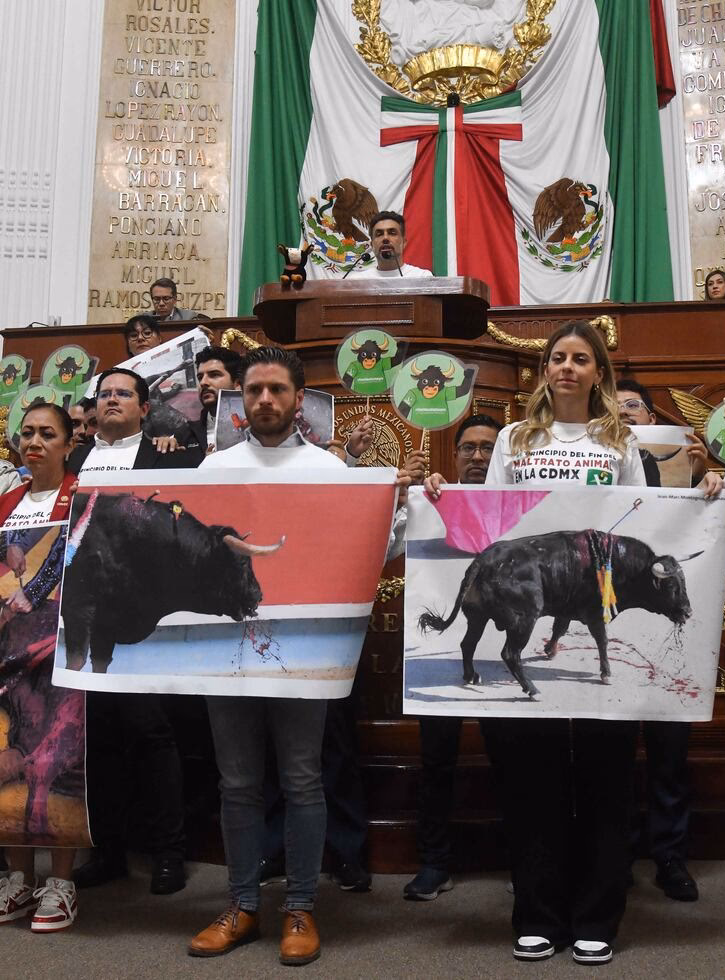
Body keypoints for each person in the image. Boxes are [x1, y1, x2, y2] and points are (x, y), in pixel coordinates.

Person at [425, 321, 721, 966]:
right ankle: (536, 913)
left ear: (598, 373)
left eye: (580, 359)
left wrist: (701, 498)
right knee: (529, 782)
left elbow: (645, 523)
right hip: (535, 584)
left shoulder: (620, 439)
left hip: (589, 601)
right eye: (557, 357)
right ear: (546, 370)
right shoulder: (514, 437)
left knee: (605, 780)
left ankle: (597, 915)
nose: (566, 367)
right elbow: (495, 511)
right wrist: (444, 500)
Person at [189, 346, 422, 966]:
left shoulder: (331, 470)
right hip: (226, 649)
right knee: (237, 783)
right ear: (239, 399)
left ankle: (299, 906)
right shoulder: (211, 471)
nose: (266, 400)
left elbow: (374, 549)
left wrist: (392, 504)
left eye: (277, 390)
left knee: (301, 779)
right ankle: (241, 904)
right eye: (255, 390)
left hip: (303, 649)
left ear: (299, 400)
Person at [68, 368, 202, 896]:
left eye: (124, 394)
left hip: (140, 612)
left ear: (145, 409)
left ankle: (169, 852)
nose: (112, 401)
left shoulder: (168, 452)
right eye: (104, 395)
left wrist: (179, 453)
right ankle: (109, 852)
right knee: (96, 738)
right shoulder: (73, 462)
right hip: (83, 613)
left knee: (151, 732)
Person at [614, 379, 717, 902]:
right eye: (611, 410)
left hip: (666, 624)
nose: (623, 415)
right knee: (608, 748)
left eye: (631, 406)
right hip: (609, 620)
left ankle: (669, 853)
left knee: (668, 745)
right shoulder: (597, 459)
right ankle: (615, 852)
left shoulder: (686, 466)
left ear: (656, 419)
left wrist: (703, 481)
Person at [403, 414, 503, 902]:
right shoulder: (433, 499)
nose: (479, 456)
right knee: (436, 759)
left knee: (513, 762)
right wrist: (413, 494)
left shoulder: (527, 504)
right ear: (455, 454)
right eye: (469, 448)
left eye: (488, 447)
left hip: (508, 652)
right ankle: (434, 861)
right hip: (444, 653)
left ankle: (524, 858)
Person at [0, 404, 82, 932]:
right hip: (5, 649)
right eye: (27, 432)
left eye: (47, 434)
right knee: (6, 759)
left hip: (62, 648)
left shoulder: (83, 495)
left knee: (57, 760)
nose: (35, 441)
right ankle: (18, 879)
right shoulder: (5, 502)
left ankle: (62, 883)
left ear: (68, 443)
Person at [189, 346, 243, 453]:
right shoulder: (185, 434)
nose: (203, 382)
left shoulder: (257, 430)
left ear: (237, 384)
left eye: (214, 375)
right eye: (200, 377)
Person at [349, 212, 434, 278]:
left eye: (392, 233)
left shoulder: (421, 277)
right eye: (379, 234)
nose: (385, 238)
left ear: (404, 242)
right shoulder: (357, 282)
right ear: (372, 245)